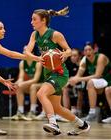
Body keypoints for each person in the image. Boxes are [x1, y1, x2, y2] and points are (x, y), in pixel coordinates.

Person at [24, 7, 90, 135]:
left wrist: (65, 55)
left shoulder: (55, 34)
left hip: (59, 73)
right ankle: (82, 125)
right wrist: (37, 58)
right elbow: (27, 51)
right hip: (48, 73)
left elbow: (69, 50)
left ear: (43, 21)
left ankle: (53, 124)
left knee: (40, 93)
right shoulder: (34, 35)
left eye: (34, 19)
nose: (31, 22)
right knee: (57, 108)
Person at [69, 43, 111, 122]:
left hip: (108, 79)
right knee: (87, 84)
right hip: (101, 82)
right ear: (84, 52)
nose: (88, 52)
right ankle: (76, 111)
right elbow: (78, 75)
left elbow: (98, 75)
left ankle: (92, 113)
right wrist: (72, 80)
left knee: (90, 82)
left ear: (94, 50)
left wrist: (79, 79)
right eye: (85, 50)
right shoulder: (84, 60)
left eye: (89, 50)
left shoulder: (100, 57)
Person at [62, 48, 85, 117]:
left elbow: (79, 78)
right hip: (72, 84)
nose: (73, 57)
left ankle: (78, 111)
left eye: (75, 56)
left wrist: (70, 81)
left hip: (84, 83)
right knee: (64, 88)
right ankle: (66, 112)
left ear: (79, 56)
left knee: (79, 88)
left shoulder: (83, 64)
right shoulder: (70, 65)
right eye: (71, 56)